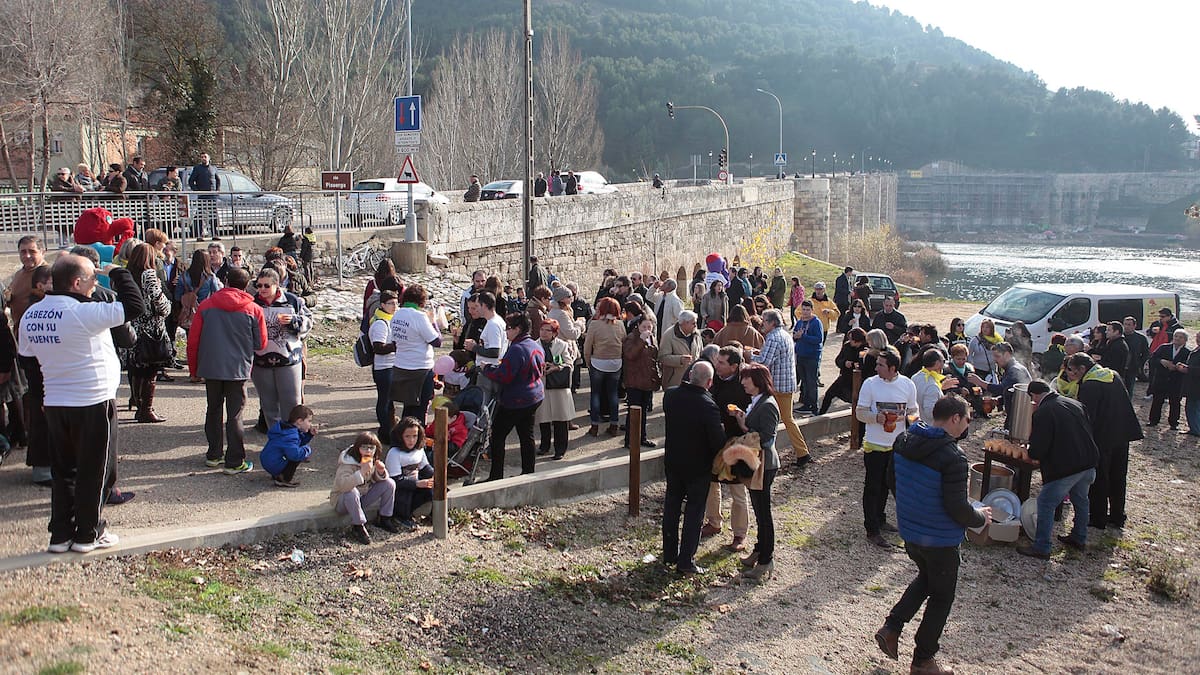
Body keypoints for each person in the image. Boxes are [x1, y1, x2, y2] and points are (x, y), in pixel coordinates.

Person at [18, 255, 144, 553]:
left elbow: (28, 361)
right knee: (96, 470)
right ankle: (89, 532)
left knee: (63, 471)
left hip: (56, 401)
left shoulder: (31, 315)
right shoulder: (83, 313)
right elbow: (135, 306)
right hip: (92, 400)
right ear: (76, 283)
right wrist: (118, 272)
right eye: (91, 280)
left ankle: (61, 534)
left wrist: (44, 396)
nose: (93, 286)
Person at [876, 395, 989, 674]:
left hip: (912, 531)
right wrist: (980, 518)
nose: (967, 425)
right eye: (966, 419)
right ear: (955, 419)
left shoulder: (904, 440)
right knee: (942, 597)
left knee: (926, 579)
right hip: (940, 539)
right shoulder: (953, 456)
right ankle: (923, 660)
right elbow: (957, 507)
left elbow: (892, 480)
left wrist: (913, 506)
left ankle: (892, 627)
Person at [188, 267, 267, 475]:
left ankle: (214, 454)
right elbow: (261, 343)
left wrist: (193, 369)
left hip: (211, 367)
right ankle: (235, 460)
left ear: (224, 280)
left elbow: (193, 341)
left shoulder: (206, 305)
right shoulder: (253, 309)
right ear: (247, 284)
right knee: (236, 415)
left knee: (213, 410)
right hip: (238, 369)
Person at [1017, 380, 1099, 559]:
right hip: (1088, 460)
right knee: (1081, 501)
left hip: (1067, 466)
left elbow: (1038, 449)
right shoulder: (1074, 403)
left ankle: (1042, 546)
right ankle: (1079, 537)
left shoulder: (1043, 412)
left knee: (1045, 503)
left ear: (1034, 396)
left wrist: (1028, 450)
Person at [1064, 353, 1142, 530]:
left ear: (1082, 369)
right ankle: (1117, 515)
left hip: (1104, 436)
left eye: (1072, 370)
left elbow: (1086, 416)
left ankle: (1098, 517)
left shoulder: (1090, 385)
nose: (1070, 374)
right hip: (1122, 433)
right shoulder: (1111, 374)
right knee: (1118, 476)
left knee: (1100, 477)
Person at [661, 361, 725, 575]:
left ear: (689, 375)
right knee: (694, 512)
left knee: (671, 507)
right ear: (709, 382)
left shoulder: (671, 396)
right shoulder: (708, 406)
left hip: (674, 461)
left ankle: (669, 553)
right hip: (698, 467)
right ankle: (686, 560)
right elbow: (717, 442)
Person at [855, 346, 918, 548]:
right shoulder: (870, 385)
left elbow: (914, 411)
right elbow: (860, 412)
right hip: (875, 444)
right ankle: (871, 528)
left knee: (888, 484)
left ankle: (881, 519)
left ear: (892, 368)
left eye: (880, 365)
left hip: (897, 445)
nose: (876, 368)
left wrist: (909, 420)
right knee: (872, 487)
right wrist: (876, 417)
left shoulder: (907, 385)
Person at [727, 362, 781, 580]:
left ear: (757, 380)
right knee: (759, 510)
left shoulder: (767, 405)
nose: (742, 383)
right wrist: (743, 423)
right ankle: (759, 551)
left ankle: (766, 560)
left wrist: (744, 436)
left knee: (763, 513)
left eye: (746, 379)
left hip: (764, 464)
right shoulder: (757, 402)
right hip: (756, 462)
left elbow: (766, 438)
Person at [481, 312, 545, 481]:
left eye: (508, 329)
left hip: (517, 399)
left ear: (518, 329)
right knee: (526, 434)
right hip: (535, 395)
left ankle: (496, 476)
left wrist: (486, 368)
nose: (506, 332)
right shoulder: (534, 344)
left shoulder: (517, 349)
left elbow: (504, 376)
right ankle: (528, 472)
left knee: (498, 435)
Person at [702, 346, 752, 549]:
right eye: (717, 361)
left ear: (734, 366)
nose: (717, 365)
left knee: (737, 488)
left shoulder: (745, 384)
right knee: (711, 483)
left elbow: (753, 413)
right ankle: (714, 521)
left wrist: (738, 418)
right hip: (714, 439)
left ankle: (740, 533)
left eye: (722, 363)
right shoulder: (714, 380)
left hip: (737, 442)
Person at [251, 268, 312, 430]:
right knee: (268, 405)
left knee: (292, 403)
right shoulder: (252, 303)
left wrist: (294, 322)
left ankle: (293, 440)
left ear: (276, 285)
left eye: (266, 286)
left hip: (289, 360)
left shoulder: (292, 301)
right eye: (259, 286)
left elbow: (309, 322)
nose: (262, 290)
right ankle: (276, 440)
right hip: (261, 361)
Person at [748, 309, 811, 464]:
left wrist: (748, 355)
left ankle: (772, 455)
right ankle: (801, 452)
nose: (762, 323)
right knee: (787, 419)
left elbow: (763, 362)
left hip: (777, 386)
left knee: (775, 420)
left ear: (773, 323)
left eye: (765, 321)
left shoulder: (773, 338)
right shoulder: (784, 335)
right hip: (786, 383)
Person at [123, 243, 173, 423]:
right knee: (150, 371)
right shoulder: (149, 275)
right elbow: (160, 304)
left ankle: (137, 402)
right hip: (151, 329)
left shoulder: (126, 275)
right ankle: (146, 409)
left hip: (132, 327)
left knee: (136, 369)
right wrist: (168, 306)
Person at [330, 431, 400, 544]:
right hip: (343, 501)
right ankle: (358, 526)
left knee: (389, 483)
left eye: (371, 448)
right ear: (357, 448)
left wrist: (381, 472)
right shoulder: (347, 463)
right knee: (351, 492)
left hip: (362, 498)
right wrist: (362, 472)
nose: (368, 451)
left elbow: (374, 480)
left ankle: (384, 518)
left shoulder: (371, 460)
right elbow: (343, 486)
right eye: (364, 447)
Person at [388, 285, 441, 422]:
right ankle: (417, 440)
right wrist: (433, 321)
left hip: (401, 367)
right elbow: (437, 341)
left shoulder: (397, 315)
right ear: (421, 301)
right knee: (421, 409)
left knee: (408, 407)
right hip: (420, 369)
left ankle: (404, 438)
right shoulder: (420, 317)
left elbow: (394, 343)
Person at [583, 297, 626, 436]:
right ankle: (614, 424)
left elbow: (587, 346)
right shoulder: (620, 324)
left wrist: (588, 362)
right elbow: (624, 342)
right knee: (613, 394)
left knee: (595, 393)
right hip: (615, 362)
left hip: (598, 361)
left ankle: (594, 426)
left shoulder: (595, 325)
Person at [535, 319, 577, 459]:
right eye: (542, 329)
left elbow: (569, 363)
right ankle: (544, 446)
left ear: (554, 333)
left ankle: (560, 449)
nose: (544, 333)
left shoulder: (562, 345)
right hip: (542, 385)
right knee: (544, 418)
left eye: (548, 330)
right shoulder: (535, 345)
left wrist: (556, 367)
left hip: (558, 387)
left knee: (560, 418)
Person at [967, 342, 1031, 431]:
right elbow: (1011, 392)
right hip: (1017, 415)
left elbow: (1001, 389)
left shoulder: (1015, 370)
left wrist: (980, 382)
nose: (995, 360)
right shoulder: (1013, 368)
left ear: (1007, 355)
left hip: (1020, 418)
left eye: (997, 356)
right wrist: (998, 401)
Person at [385, 417, 433, 531]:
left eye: (415, 436)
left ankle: (436, 514)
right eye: (407, 436)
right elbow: (396, 480)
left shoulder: (419, 450)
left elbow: (425, 467)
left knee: (433, 490)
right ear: (400, 436)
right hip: (400, 488)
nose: (411, 440)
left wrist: (436, 475)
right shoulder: (394, 453)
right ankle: (401, 517)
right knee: (404, 497)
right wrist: (417, 483)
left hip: (415, 483)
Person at [622, 315, 660, 448]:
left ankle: (642, 438)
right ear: (638, 325)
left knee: (644, 412)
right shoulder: (631, 338)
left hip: (647, 380)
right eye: (644, 326)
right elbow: (629, 355)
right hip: (634, 380)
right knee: (634, 412)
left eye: (649, 327)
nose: (647, 329)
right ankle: (630, 440)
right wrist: (641, 341)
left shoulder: (652, 338)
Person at [261, 404, 316, 488]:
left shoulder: (287, 429)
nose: (310, 424)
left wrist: (309, 435)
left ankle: (277, 474)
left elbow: (298, 442)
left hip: (268, 460)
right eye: (309, 421)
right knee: (296, 456)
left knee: (294, 450)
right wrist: (307, 450)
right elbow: (295, 454)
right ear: (300, 421)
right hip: (273, 463)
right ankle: (283, 479)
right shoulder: (291, 435)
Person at [1148, 328, 1191, 430]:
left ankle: (1173, 423)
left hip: (1176, 381)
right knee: (1157, 400)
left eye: (1181, 337)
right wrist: (1162, 361)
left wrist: (1179, 367)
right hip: (1161, 379)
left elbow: (1188, 366)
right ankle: (1153, 420)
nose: (1177, 339)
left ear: (1185, 340)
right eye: (1176, 336)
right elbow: (1153, 359)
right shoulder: (1164, 347)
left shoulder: (1187, 352)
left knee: (1175, 402)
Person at [819, 328, 866, 415]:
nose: (850, 341)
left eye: (852, 339)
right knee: (829, 394)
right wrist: (844, 363)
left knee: (857, 400)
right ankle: (821, 413)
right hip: (845, 376)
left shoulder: (865, 349)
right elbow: (838, 360)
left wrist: (855, 364)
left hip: (858, 380)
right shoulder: (847, 346)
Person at [793, 300, 824, 415]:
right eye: (803, 309)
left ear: (812, 310)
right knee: (804, 382)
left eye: (807, 310)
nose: (805, 312)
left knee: (811, 382)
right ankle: (806, 404)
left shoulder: (816, 322)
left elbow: (818, 339)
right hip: (801, 355)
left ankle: (814, 406)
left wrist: (804, 336)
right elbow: (795, 335)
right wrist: (796, 337)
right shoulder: (800, 321)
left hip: (812, 356)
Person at [911, 349, 958, 423]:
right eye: (943, 361)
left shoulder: (915, 377)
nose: (944, 364)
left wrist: (941, 388)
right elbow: (930, 413)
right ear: (937, 363)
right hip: (929, 429)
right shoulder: (932, 386)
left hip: (916, 424)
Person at [659, 310, 702, 391]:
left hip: (693, 381)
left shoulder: (696, 334)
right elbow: (662, 357)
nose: (696, 325)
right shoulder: (668, 335)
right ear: (684, 323)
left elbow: (700, 352)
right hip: (675, 383)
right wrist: (680, 360)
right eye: (693, 323)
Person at [188, 153, 221, 239]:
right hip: (202, 196)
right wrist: (197, 191)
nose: (203, 158)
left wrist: (217, 190)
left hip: (212, 196)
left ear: (209, 158)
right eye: (202, 157)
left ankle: (215, 234)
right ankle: (199, 235)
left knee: (213, 216)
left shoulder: (213, 168)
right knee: (200, 216)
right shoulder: (197, 168)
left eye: (205, 157)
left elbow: (218, 180)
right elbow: (191, 181)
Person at [1122, 316, 1149, 399]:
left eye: (1129, 324)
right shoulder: (1120, 336)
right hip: (1120, 367)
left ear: (1134, 325)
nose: (1126, 326)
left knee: (1129, 389)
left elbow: (1145, 353)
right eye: (1125, 324)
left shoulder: (1141, 338)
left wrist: (1139, 365)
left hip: (1132, 368)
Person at [1183, 331, 1200, 437]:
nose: (1198, 340)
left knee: (1195, 408)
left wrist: (1188, 369)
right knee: (1190, 407)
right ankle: (1193, 428)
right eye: (1197, 337)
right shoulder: (1196, 349)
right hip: (1192, 384)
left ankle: (1197, 429)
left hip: (1197, 385)